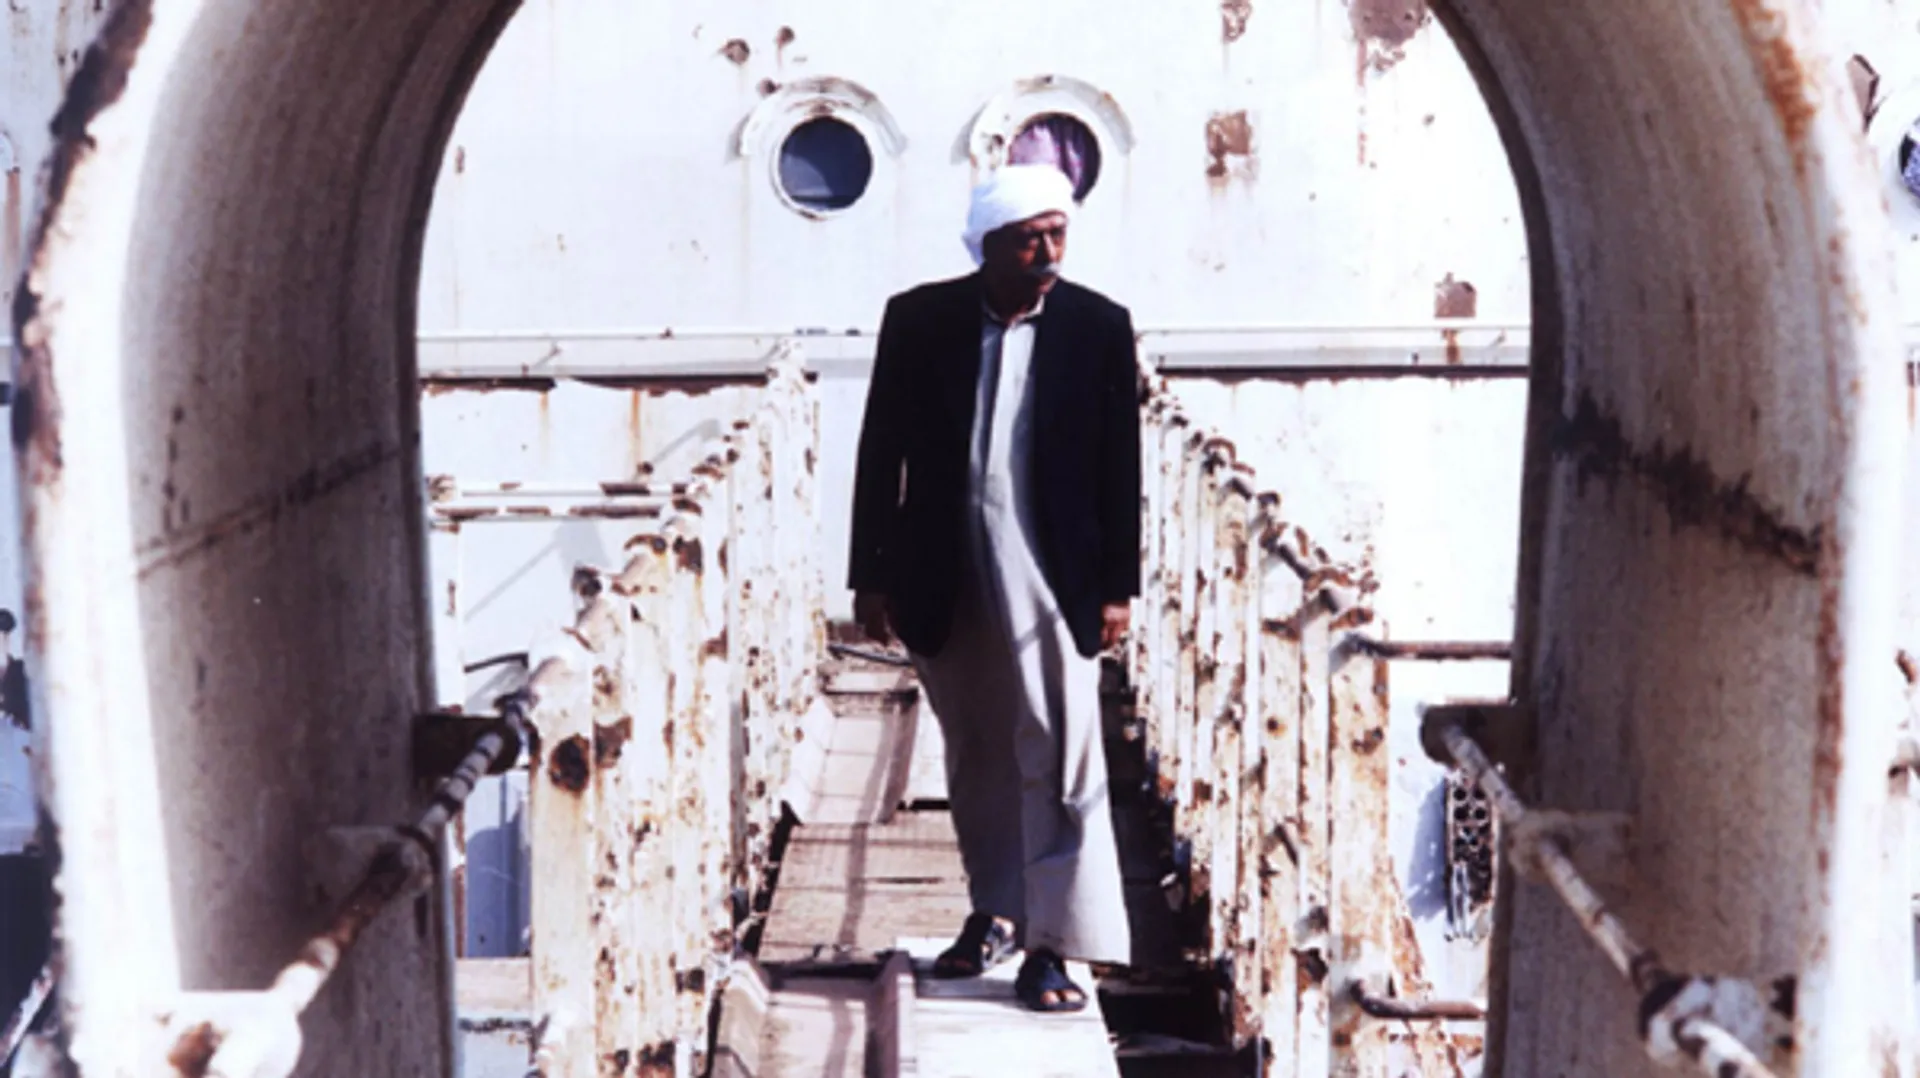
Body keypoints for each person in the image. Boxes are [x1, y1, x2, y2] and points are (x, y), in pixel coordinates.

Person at [846, 164, 1141, 1012]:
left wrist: (1118, 588)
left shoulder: (1096, 325)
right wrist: (871, 577)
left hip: (1052, 569)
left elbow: (1121, 465)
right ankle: (997, 910)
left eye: (1057, 235)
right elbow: (881, 450)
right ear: (989, 245)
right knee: (976, 749)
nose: (1048, 253)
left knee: (1059, 746)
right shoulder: (920, 319)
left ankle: (1056, 944)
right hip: (945, 565)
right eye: (1028, 239)